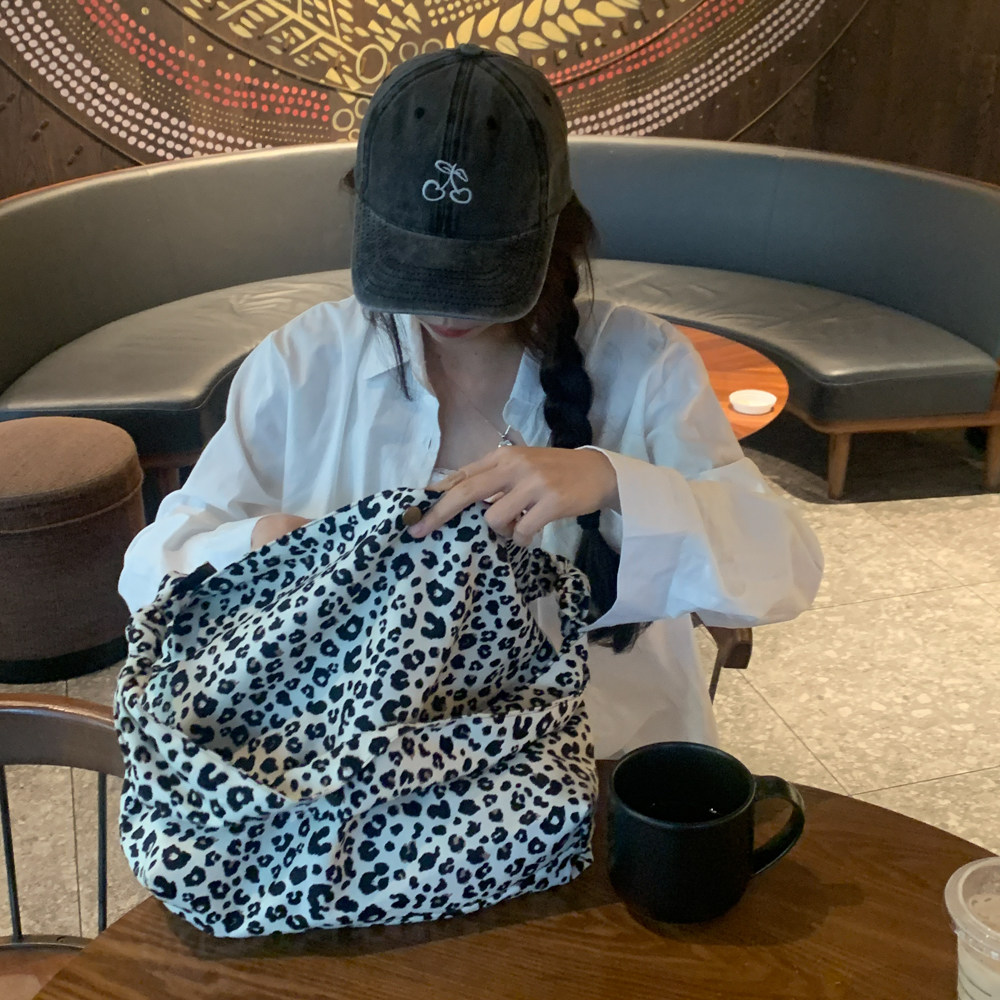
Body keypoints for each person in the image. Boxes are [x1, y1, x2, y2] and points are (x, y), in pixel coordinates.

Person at [118, 44, 823, 759]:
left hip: (601, 760)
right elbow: (150, 571)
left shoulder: (642, 366)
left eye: (478, 277)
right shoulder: (305, 364)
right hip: (356, 779)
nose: (445, 312)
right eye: (417, 271)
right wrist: (263, 545)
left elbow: (783, 572)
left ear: (556, 234)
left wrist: (613, 483)